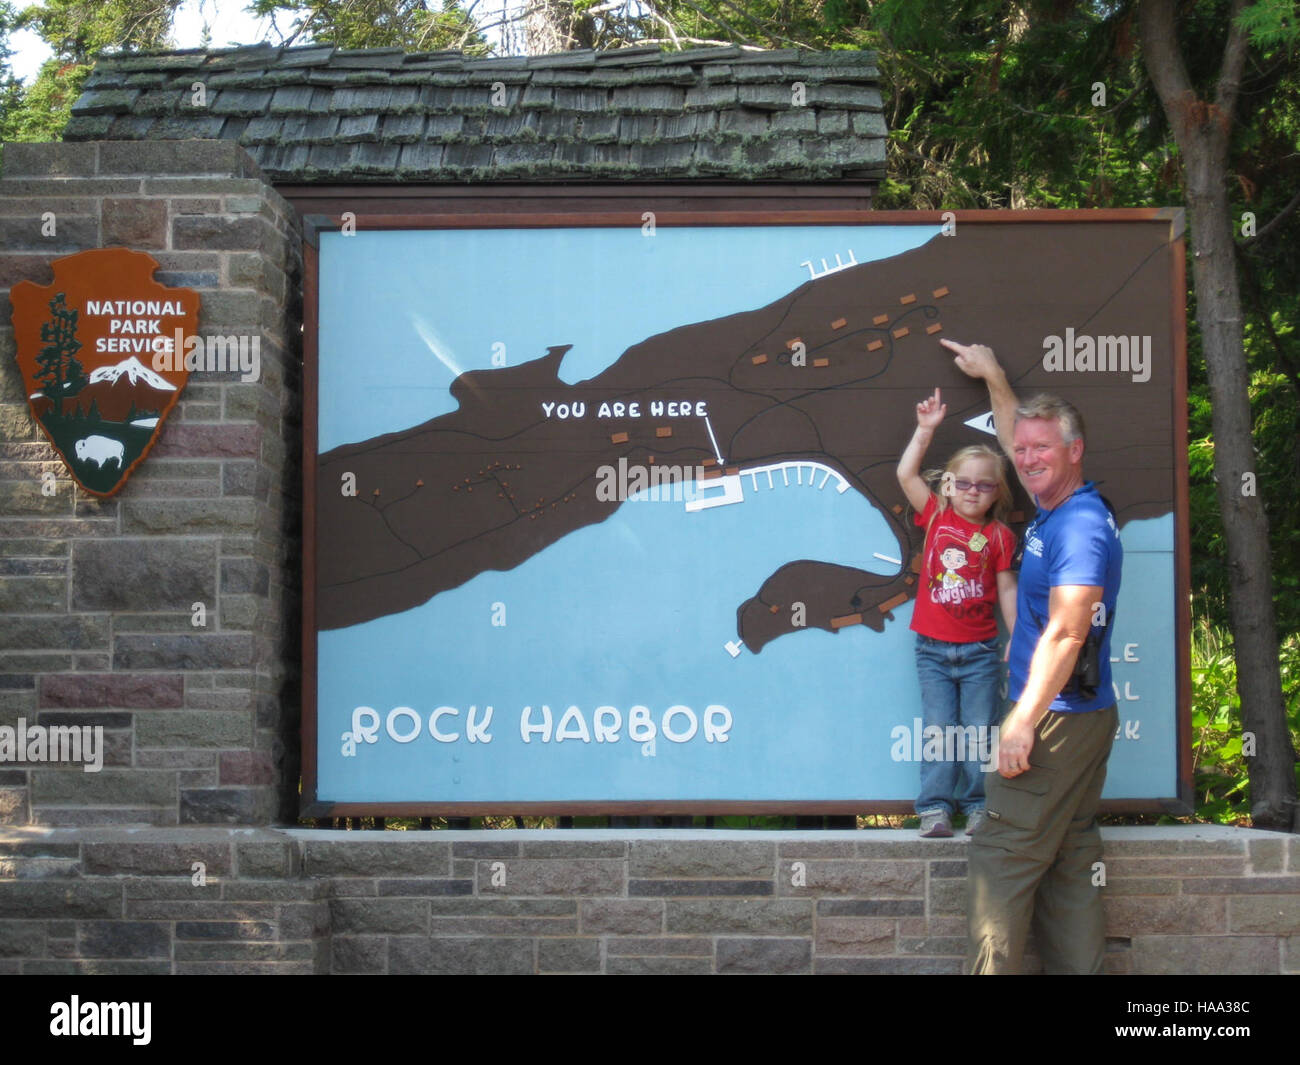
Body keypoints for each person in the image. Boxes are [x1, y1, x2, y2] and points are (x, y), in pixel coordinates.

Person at [942, 337, 1123, 975]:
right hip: (1085, 713)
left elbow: (1070, 632)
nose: (1026, 460)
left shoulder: (1078, 525)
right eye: (1019, 451)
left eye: (1042, 449)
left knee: (1000, 856)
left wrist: (1021, 721)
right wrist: (994, 374)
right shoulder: (1056, 505)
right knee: (1071, 860)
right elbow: (1025, 435)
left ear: (1076, 450)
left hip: (1053, 718)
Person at [896, 387, 1018, 839]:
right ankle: (933, 808)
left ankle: (979, 806)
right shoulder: (937, 516)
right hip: (931, 650)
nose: (972, 491)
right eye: (963, 482)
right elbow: (906, 473)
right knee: (938, 731)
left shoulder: (1001, 537)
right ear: (948, 484)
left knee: (979, 734)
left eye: (984, 484)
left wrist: (1018, 638)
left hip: (981, 651)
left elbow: (1007, 589)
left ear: (996, 492)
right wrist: (925, 430)